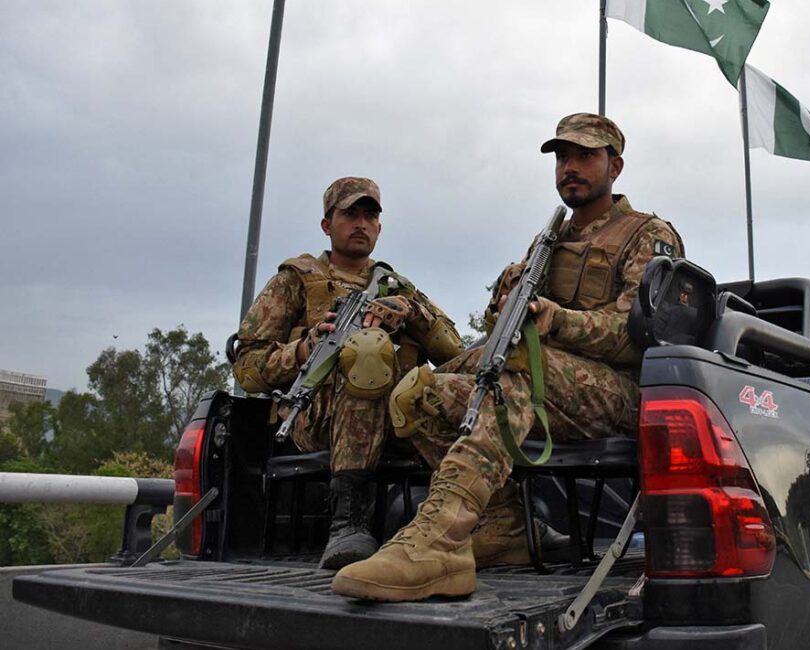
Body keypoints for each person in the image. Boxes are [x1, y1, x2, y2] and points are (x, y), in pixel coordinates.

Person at [332, 113, 685, 602]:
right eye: (563, 157)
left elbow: (636, 333)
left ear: (615, 166)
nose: (570, 167)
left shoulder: (647, 235)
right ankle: (502, 528)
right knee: (419, 394)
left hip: (619, 393)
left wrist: (556, 320)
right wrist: (506, 303)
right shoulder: (549, 241)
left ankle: (441, 541)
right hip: (541, 383)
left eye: (586, 155)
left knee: (512, 367)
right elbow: (503, 328)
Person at [233, 177, 465, 570]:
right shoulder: (296, 280)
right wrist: (305, 348)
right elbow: (248, 369)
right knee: (368, 355)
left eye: (369, 216)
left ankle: (487, 516)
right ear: (328, 225)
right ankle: (348, 523)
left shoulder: (397, 285)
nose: (360, 223)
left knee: (480, 372)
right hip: (316, 417)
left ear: (379, 227)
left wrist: (407, 311)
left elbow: (452, 350)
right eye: (350, 214)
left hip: (399, 415)